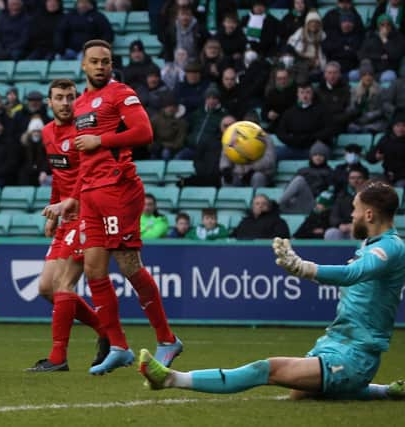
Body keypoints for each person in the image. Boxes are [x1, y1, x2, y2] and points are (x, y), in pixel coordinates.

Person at [140, 180, 405, 402]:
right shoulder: (374, 245)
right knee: (298, 394)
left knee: (267, 369)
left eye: (355, 210)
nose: (352, 215)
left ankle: (171, 378)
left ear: (369, 215)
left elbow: (351, 275)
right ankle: (385, 391)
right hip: (334, 345)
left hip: (355, 356)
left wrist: (305, 268)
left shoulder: (390, 248)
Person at [47, 40, 182, 375]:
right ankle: (119, 346)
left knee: (129, 265)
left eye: (105, 62)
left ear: (111, 65)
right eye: (94, 62)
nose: (100, 67)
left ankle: (167, 340)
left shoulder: (120, 93)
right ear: (83, 66)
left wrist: (101, 140)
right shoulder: (79, 105)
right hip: (91, 194)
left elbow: (144, 132)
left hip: (118, 190)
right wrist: (73, 199)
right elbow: (83, 163)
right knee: (93, 270)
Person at [27, 79, 107, 372]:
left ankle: (58, 358)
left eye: (70, 97)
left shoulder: (84, 132)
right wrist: (54, 212)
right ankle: (106, 329)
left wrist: (69, 203)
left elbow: (89, 174)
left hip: (87, 213)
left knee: (64, 283)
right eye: (59, 98)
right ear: (49, 102)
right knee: (47, 287)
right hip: (66, 215)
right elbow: (60, 175)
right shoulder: (47, 132)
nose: (64, 103)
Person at [366, 112, 405, 188]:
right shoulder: (386, 139)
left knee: (399, 188)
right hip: (386, 175)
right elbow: (370, 157)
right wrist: (375, 157)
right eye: (397, 126)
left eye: (404, 126)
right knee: (371, 186)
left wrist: (397, 175)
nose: (400, 129)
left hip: (402, 177)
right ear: (393, 127)